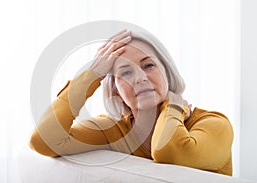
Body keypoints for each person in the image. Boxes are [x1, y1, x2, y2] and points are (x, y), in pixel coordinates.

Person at [29, 29, 234, 176]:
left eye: (149, 65)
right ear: (116, 92)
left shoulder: (214, 124)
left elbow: (169, 152)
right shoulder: (114, 131)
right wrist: (91, 75)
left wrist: (173, 108)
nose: (140, 78)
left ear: (167, 73)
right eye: (126, 72)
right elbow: (43, 140)